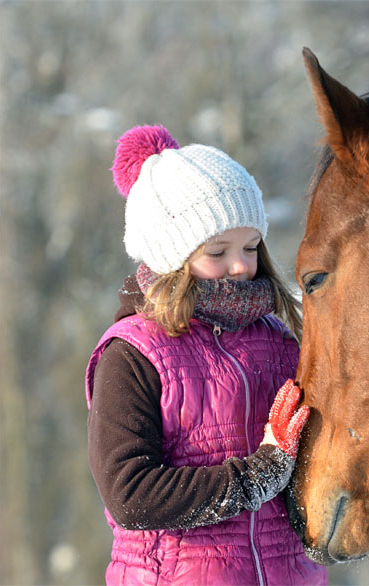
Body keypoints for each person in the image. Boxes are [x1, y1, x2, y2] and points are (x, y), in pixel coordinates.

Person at [85, 125, 327, 585]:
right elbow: (130, 494)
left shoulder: (280, 343)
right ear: (171, 257)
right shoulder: (133, 354)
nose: (241, 265)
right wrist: (256, 477)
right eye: (218, 251)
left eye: (251, 247)